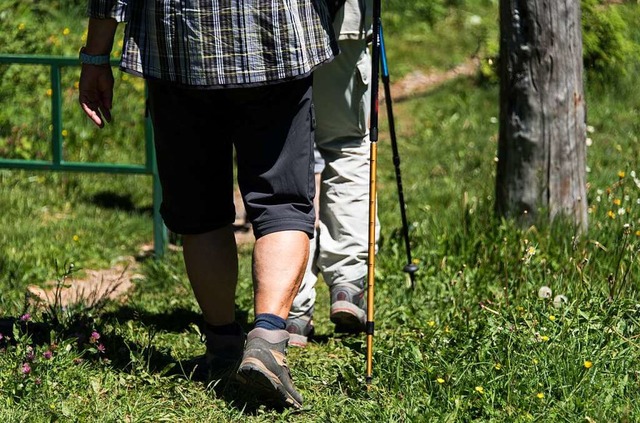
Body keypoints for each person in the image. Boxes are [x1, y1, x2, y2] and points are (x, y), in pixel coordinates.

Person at [78, 0, 337, 409]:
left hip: (179, 44)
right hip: (277, 38)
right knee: (282, 199)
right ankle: (268, 339)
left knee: (199, 208)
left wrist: (95, 54)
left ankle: (222, 347)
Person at [285, 0, 377, 347]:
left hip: (272, 27)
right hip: (342, 22)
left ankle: (291, 307)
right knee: (348, 145)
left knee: (288, 158)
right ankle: (347, 285)